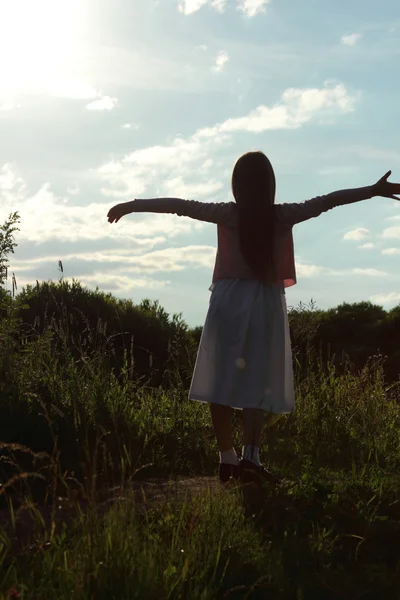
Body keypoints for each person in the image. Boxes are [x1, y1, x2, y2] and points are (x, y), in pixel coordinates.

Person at [107, 151, 400, 486]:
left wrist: (132, 205)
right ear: (270, 185)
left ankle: (227, 458)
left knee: (220, 379)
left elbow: (179, 204)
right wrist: (372, 190)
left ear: (236, 186)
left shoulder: (227, 214)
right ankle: (251, 458)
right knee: (257, 381)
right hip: (264, 302)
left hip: (228, 299)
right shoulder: (282, 216)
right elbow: (328, 201)